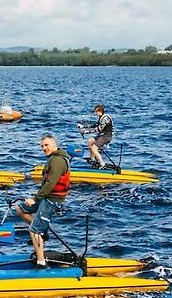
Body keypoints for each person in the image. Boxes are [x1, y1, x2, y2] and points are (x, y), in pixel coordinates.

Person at [16, 134, 70, 269]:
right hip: (47, 197)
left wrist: (35, 199)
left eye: (46, 145)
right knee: (21, 209)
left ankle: (41, 263)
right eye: (42, 146)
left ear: (54, 145)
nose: (44, 148)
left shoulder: (57, 161)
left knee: (34, 230)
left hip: (53, 200)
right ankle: (43, 232)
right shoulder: (53, 159)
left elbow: (51, 183)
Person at [80, 104, 114, 169]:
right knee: (90, 141)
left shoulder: (105, 118)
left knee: (94, 148)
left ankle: (102, 164)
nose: (95, 113)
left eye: (96, 112)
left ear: (100, 111)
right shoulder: (101, 117)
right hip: (103, 135)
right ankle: (92, 159)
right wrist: (84, 127)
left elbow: (99, 129)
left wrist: (88, 131)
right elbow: (95, 125)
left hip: (107, 136)